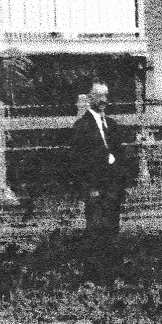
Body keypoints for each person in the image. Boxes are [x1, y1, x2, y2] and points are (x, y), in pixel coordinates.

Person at [68, 80, 132, 250]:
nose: (103, 100)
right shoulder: (81, 127)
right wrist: (90, 188)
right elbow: (79, 162)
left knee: (112, 231)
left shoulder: (112, 125)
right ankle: (95, 273)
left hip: (113, 188)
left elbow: (121, 156)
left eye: (106, 95)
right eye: (99, 95)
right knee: (96, 232)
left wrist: (120, 183)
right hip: (95, 188)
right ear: (90, 97)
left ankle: (111, 272)